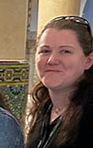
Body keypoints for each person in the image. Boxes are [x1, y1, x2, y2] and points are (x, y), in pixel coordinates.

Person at [26, 16, 93, 148]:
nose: (52, 60)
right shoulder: (44, 108)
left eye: (65, 51)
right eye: (45, 51)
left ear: (88, 61)